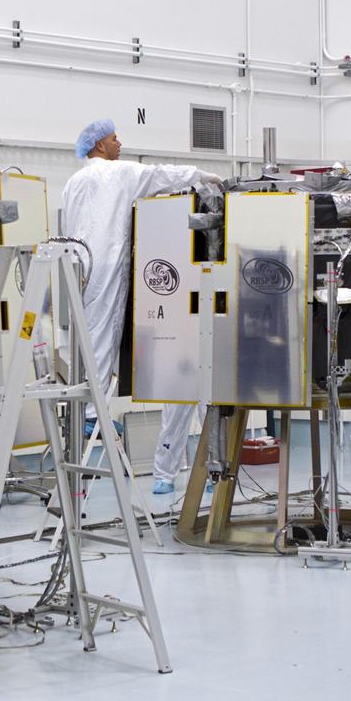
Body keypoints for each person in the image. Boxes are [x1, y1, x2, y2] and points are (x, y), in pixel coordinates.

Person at [61, 118, 221, 464]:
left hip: (76, 263)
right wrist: (201, 176)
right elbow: (160, 175)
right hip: (104, 264)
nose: (120, 144)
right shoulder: (115, 173)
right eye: (115, 139)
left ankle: (85, 406)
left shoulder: (74, 180)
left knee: (87, 334)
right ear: (100, 145)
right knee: (102, 331)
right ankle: (92, 414)